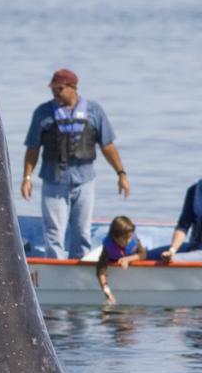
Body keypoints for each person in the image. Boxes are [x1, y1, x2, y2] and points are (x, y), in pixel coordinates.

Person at [20, 69, 130, 260]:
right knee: (54, 233)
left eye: (59, 89)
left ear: (73, 88)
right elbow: (32, 149)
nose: (55, 93)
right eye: (53, 89)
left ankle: (80, 275)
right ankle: (55, 269)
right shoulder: (43, 113)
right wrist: (27, 178)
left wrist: (121, 174)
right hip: (53, 181)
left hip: (84, 181)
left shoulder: (94, 111)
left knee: (82, 233)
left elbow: (108, 146)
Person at [96, 215, 147, 304]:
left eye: (130, 237)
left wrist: (128, 259)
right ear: (115, 238)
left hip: (129, 258)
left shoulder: (133, 240)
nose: (128, 241)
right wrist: (107, 292)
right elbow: (101, 270)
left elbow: (143, 254)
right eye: (125, 239)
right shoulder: (108, 248)